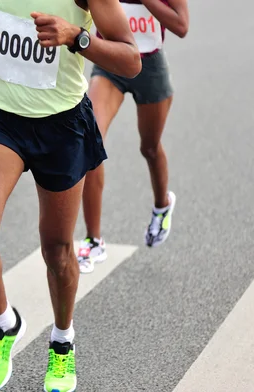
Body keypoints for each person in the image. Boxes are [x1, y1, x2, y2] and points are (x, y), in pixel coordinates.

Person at [0, 0, 141, 390]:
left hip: (61, 126)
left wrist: (77, 37)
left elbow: (130, 59)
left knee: (57, 250)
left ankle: (62, 341)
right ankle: (4, 324)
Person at [77, 0, 190, 274]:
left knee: (150, 148)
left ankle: (162, 206)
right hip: (110, 64)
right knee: (91, 141)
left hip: (150, 66)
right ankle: (94, 240)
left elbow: (181, 25)